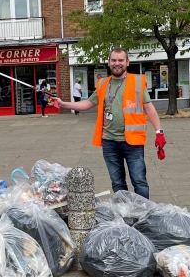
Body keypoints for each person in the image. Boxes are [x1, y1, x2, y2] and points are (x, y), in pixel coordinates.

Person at [52, 48, 165, 199]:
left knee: (139, 181)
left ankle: (144, 214)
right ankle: (123, 213)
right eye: (114, 60)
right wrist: (64, 104)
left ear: (127, 62)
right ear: (108, 62)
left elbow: (149, 108)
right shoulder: (102, 84)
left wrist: (159, 132)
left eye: (120, 60)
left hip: (132, 142)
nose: (117, 63)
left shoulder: (136, 82)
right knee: (117, 183)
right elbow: (87, 104)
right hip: (110, 142)